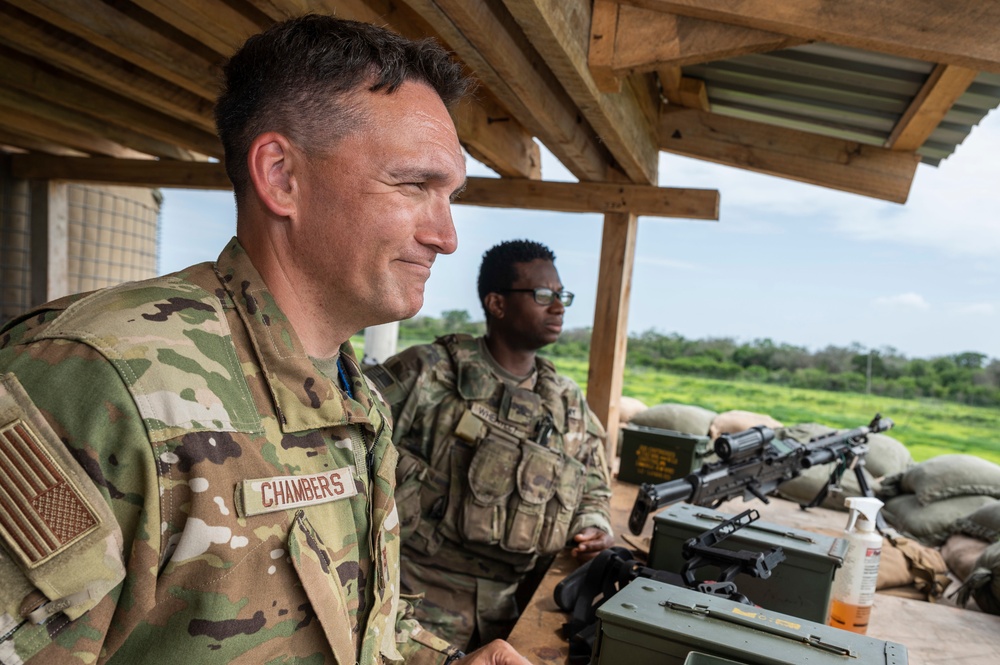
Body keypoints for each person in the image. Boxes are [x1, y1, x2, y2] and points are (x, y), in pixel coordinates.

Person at [0, 15, 529, 665]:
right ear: (281, 176)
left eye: (449, 195)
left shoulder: (356, 398)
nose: (446, 235)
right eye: (415, 184)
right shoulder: (97, 384)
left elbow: (353, 626)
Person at [364, 240, 615, 649]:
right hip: (411, 603)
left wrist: (594, 526)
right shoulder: (429, 373)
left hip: (513, 606)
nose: (558, 307)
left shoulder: (566, 402)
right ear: (497, 304)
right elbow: (342, 446)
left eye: (562, 295)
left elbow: (594, 486)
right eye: (543, 295)